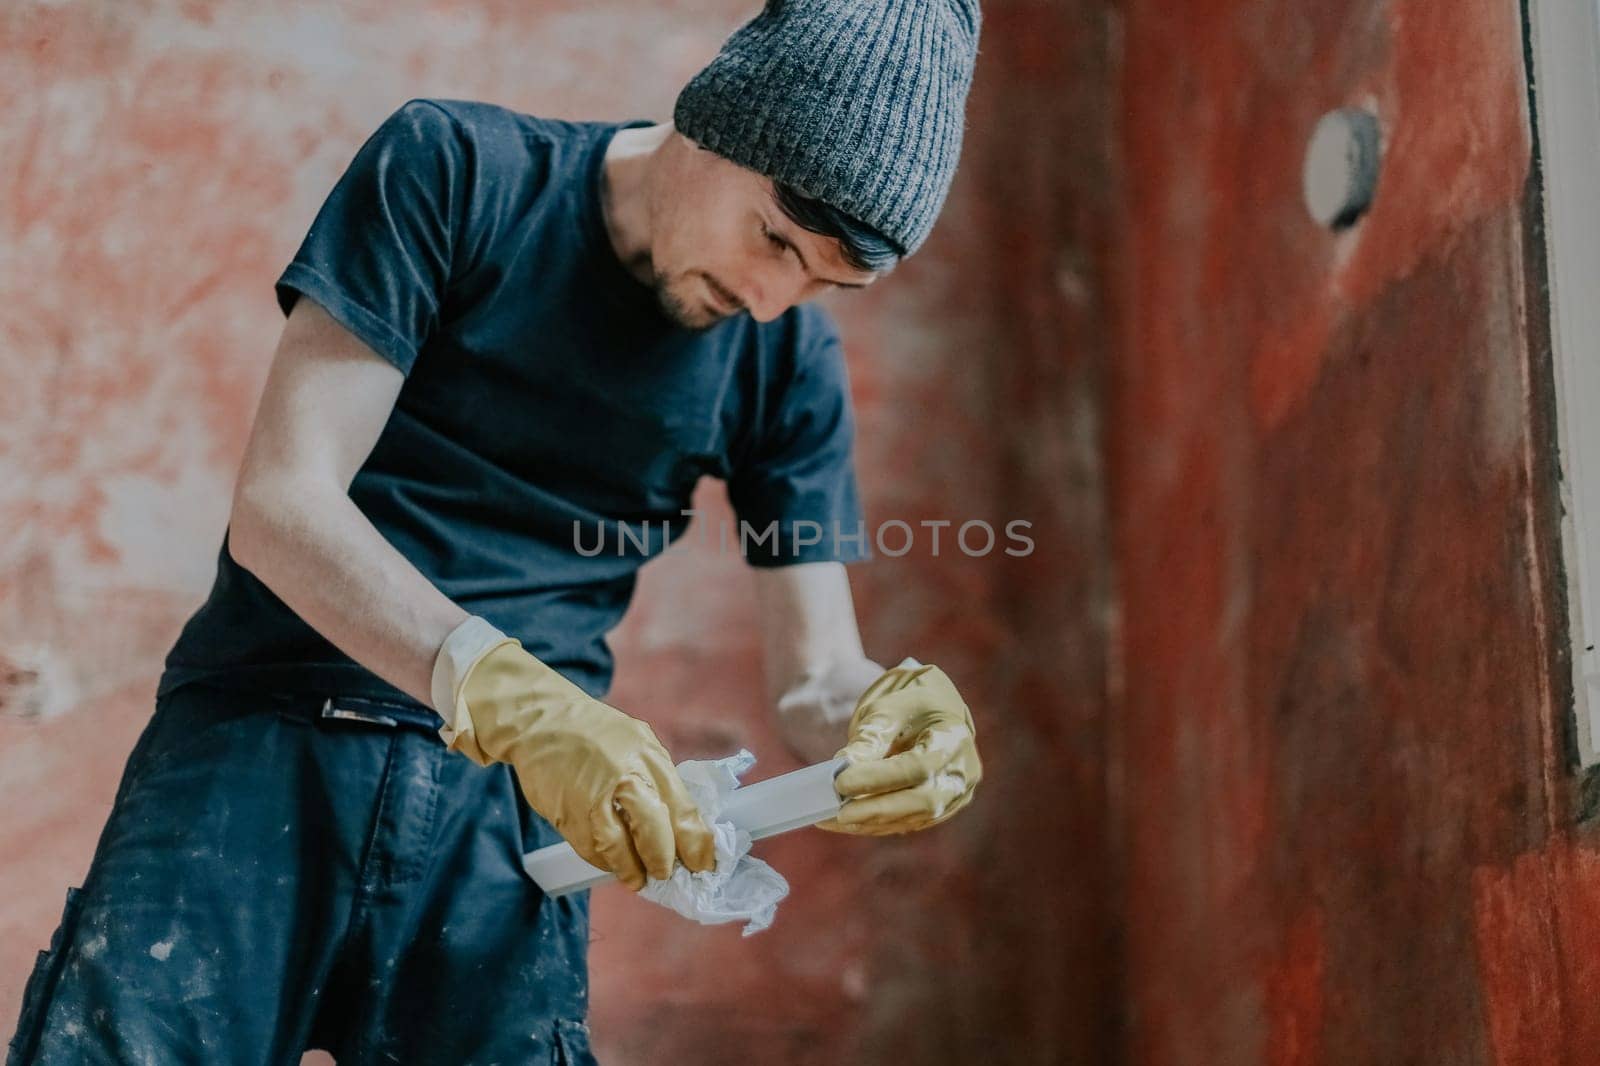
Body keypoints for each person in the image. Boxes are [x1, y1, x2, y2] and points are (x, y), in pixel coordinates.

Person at [6, 1, 984, 1062]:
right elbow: (283, 505)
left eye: (819, 281)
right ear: (716, 119)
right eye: (773, 239)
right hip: (266, 730)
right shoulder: (455, 169)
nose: (767, 296)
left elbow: (816, 674)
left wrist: (873, 731)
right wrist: (515, 702)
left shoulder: (786, 363)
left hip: (511, 824)